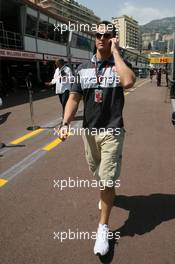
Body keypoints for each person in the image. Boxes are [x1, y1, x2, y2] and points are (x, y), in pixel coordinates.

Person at [59, 21, 136, 256]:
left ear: (113, 38)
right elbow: (73, 98)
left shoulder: (120, 64)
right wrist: (65, 123)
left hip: (112, 130)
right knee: (97, 171)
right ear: (94, 37)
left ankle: (103, 228)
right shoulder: (82, 68)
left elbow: (129, 81)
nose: (101, 38)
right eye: (98, 35)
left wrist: (115, 52)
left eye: (107, 35)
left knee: (106, 180)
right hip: (89, 132)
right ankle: (107, 195)